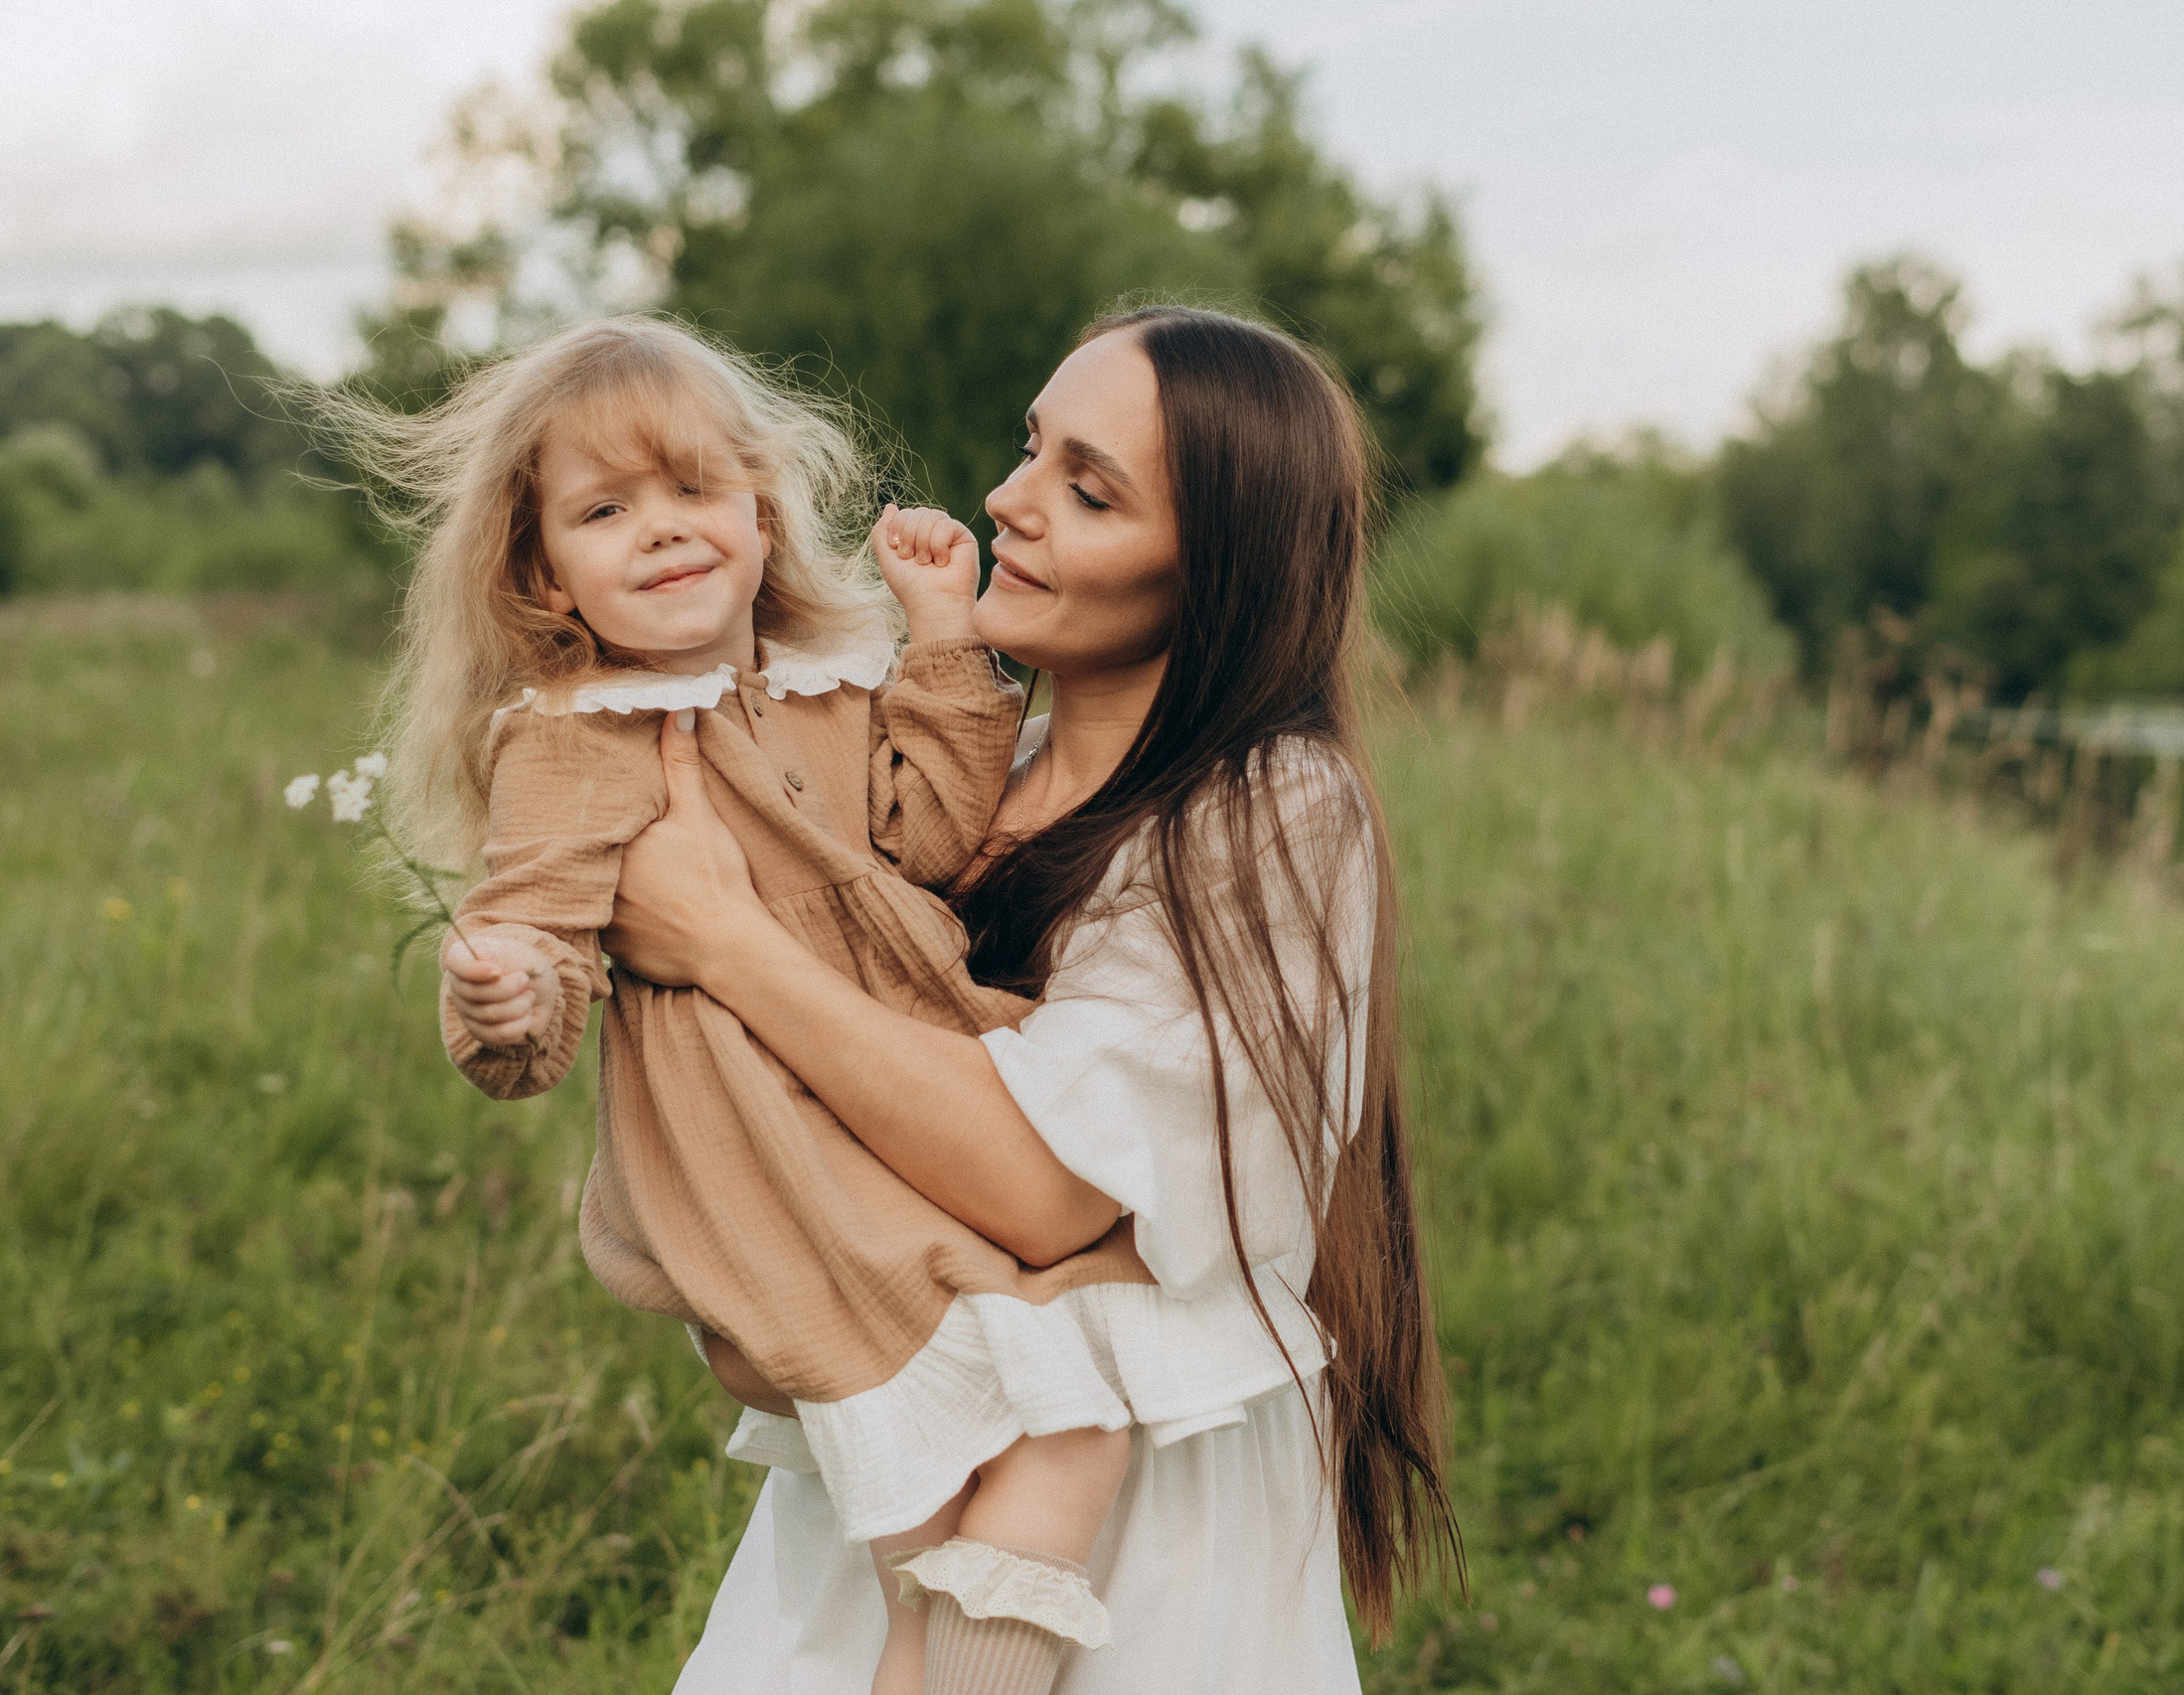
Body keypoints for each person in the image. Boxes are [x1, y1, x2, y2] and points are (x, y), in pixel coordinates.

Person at [605, 305, 1461, 1693]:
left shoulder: (1273, 813)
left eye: (1089, 487)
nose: (1011, 501)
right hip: (913, 1466)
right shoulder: (967, 779)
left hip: (1133, 1531)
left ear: (1219, 572)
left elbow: (1052, 1179)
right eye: (1031, 448)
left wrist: (721, 939)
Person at [351, 317, 1144, 1695]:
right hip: (779, 1185)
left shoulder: (831, 689)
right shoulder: (577, 738)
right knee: (924, 1535)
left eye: (694, 492)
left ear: (760, 515)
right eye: (606, 510)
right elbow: (535, 948)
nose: (661, 531)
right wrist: (504, 988)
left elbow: (935, 839)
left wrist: (945, 634)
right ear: (542, 571)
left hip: (911, 1125)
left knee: (1073, 1436)